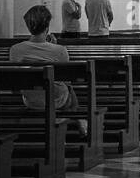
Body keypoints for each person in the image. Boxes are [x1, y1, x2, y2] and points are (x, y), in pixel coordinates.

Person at [9, 7, 86, 136]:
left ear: (29, 26)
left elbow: (15, 83)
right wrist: (55, 46)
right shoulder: (60, 50)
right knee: (68, 89)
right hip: (56, 99)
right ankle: (75, 119)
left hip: (31, 100)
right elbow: (65, 80)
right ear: (47, 27)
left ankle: (74, 120)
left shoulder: (15, 50)